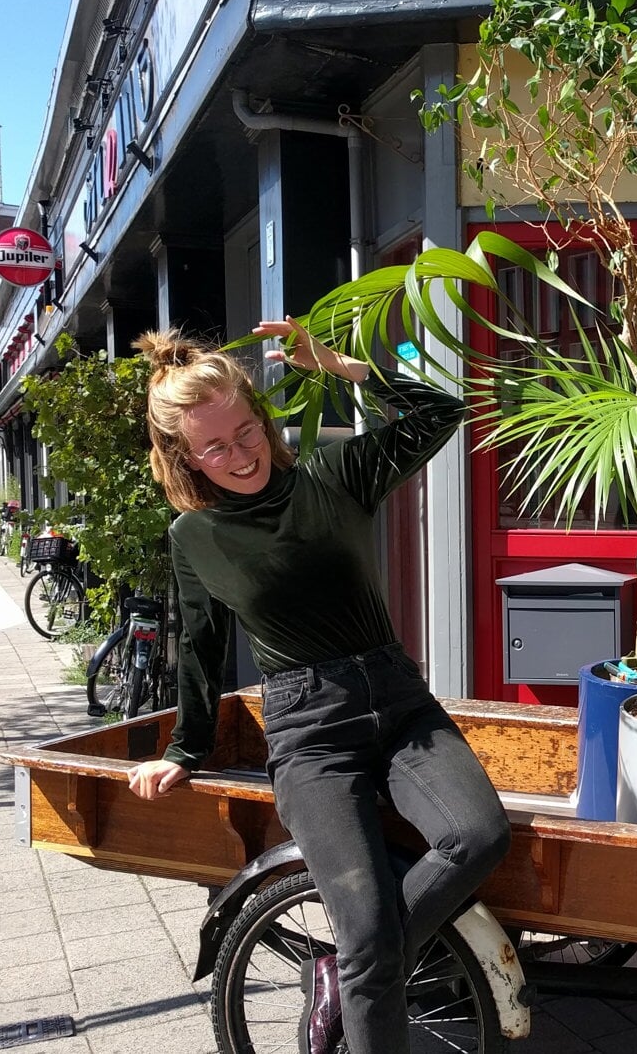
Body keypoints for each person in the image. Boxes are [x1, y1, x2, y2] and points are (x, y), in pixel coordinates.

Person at [124, 321, 512, 1054]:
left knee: (476, 836)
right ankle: (365, 963)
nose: (240, 455)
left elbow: (441, 412)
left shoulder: (334, 477)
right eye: (215, 446)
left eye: (246, 431)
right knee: (367, 930)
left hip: (398, 704)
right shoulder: (194, 537)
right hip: (310, 733)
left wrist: (339, 366)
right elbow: (204, 647)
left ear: (261, 419)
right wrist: (186, 749)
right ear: (184, 455)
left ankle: (356, 969)